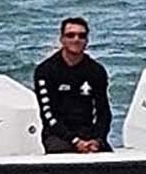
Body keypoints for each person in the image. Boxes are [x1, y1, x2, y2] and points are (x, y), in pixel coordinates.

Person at [34, 16, 113, 153]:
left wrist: (98, 139)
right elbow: (48, 115)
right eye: (70, 35)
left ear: (87, 41)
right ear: (62, 39)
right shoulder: (45, 71)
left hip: (89, 134)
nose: (76, 39)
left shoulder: (96, 70)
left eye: (81, 36)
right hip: (58, 135)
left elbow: (103, 111)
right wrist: (75, 141)